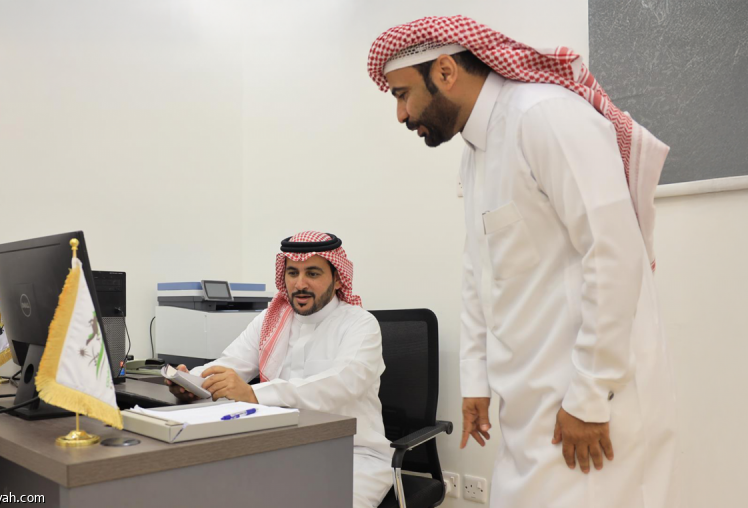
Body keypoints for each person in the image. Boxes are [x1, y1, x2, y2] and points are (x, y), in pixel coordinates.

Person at [366, 15, 679, 508]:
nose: (401, 114)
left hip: (590, 407)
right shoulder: (477, 151)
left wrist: (590, 394)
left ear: (445, 71)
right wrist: (476, 381)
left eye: (403, 94)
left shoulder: (544, 116)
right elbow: (479, 272)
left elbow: (614, 253)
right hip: (530, 408)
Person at [167, 231, 392, 508]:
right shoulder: (271, 319)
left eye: (312, 273)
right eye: (292, 273)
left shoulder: (360, 324)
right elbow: (231, 362)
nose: (300, 284)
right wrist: (192, 381)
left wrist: (253, 394)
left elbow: (341, 384)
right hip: (282, 448)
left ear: (337, 279)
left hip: (352, 455)